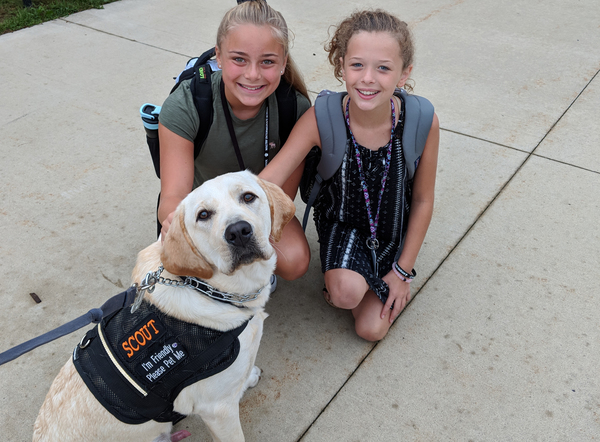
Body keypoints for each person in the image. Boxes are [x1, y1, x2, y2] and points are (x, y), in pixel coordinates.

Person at [259, 9, 440, 341]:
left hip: (392, 234)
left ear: (404, 74)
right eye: (357, 65)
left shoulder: (422, 120)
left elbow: (423, 199)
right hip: (343, 228)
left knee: (371, 330)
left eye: (383, 68)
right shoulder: (321, 119)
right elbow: (266, 181)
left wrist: (402, 271)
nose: (368, 78)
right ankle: (341, 278)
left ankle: (372, 277)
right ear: (341, 66)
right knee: (346, 293)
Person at [157, 0, 311, 281]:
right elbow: (172, 196)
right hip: (205, 214)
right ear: (218, 56)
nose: (252, 74)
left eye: (267, 61)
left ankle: (249, 262)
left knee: (295, 260)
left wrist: (246, 221)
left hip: (254, 208)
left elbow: (281, 199)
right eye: (239, 59)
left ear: (283, 62)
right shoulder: (186, 105)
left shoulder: (293, 109)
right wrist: (173, 221)